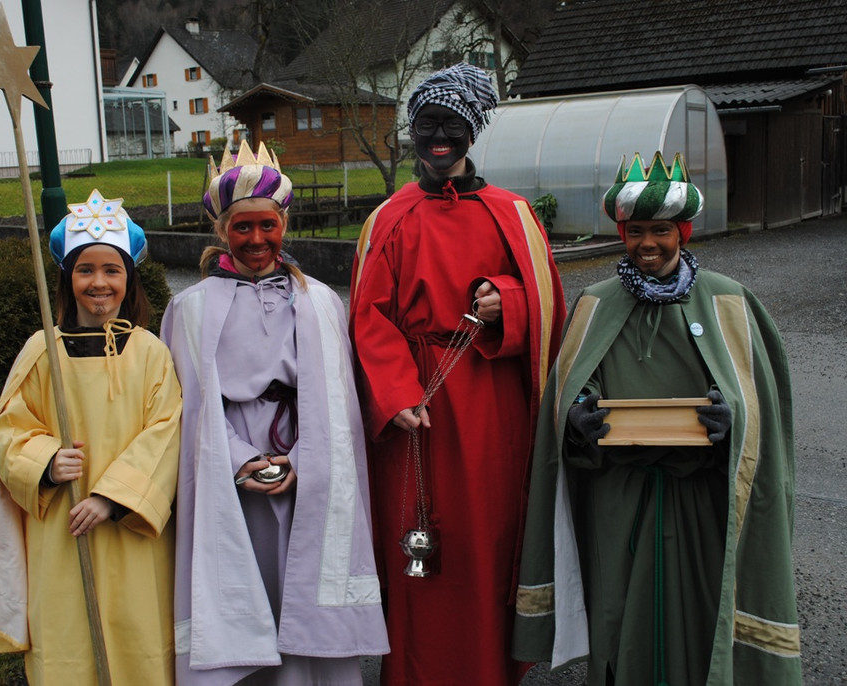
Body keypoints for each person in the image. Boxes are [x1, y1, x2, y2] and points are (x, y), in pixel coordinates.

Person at [512, 152, 801, 684]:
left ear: (682, 233)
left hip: (700, 501)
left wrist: (731, 425)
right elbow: (571, 391)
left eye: (661, 231)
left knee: (701, 615)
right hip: (619, 499)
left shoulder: (728, 301)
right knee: (618, 615)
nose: (648, 243)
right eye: (636, 231)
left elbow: (758, 406)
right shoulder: (596, 304)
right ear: (622, 233)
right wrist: (576, 421)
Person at [348, 63, 567, 685]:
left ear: (472, 133)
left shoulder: (512, 213)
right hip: (415, 410)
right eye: (426, 125)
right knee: (419, 546)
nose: (438, 138)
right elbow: (367, 316)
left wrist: (507, 301)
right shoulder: (389, 217)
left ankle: (489, 671)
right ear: (412, 132)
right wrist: (395, 393)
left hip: (492, 402)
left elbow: (548, 300)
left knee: (488, 540)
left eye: (451, 125)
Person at [163, 140, 389, 685]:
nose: (257, 239)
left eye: (268, 225)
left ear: (283, 223)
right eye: (242, 228)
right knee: (252, 578)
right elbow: (187, 401)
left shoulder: (319, 300)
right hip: (232, 458)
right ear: (222, 231)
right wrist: (240, 460)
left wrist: (304, 459)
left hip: (304, 451)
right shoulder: (190, 308)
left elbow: (339, 397)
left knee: (305, 579)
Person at [0, 190, 183, 684]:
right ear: (66, 278)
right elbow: (7, 432)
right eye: (85, 270)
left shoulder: (150, 353)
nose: (99, 282)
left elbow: (167, 432)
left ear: (129, 279)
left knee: (139, 640)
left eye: (112, 270)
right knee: (68, 641)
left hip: (130, 531)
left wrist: (111, 498)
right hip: (61, 529)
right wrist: (46, 462)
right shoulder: (42, 351)